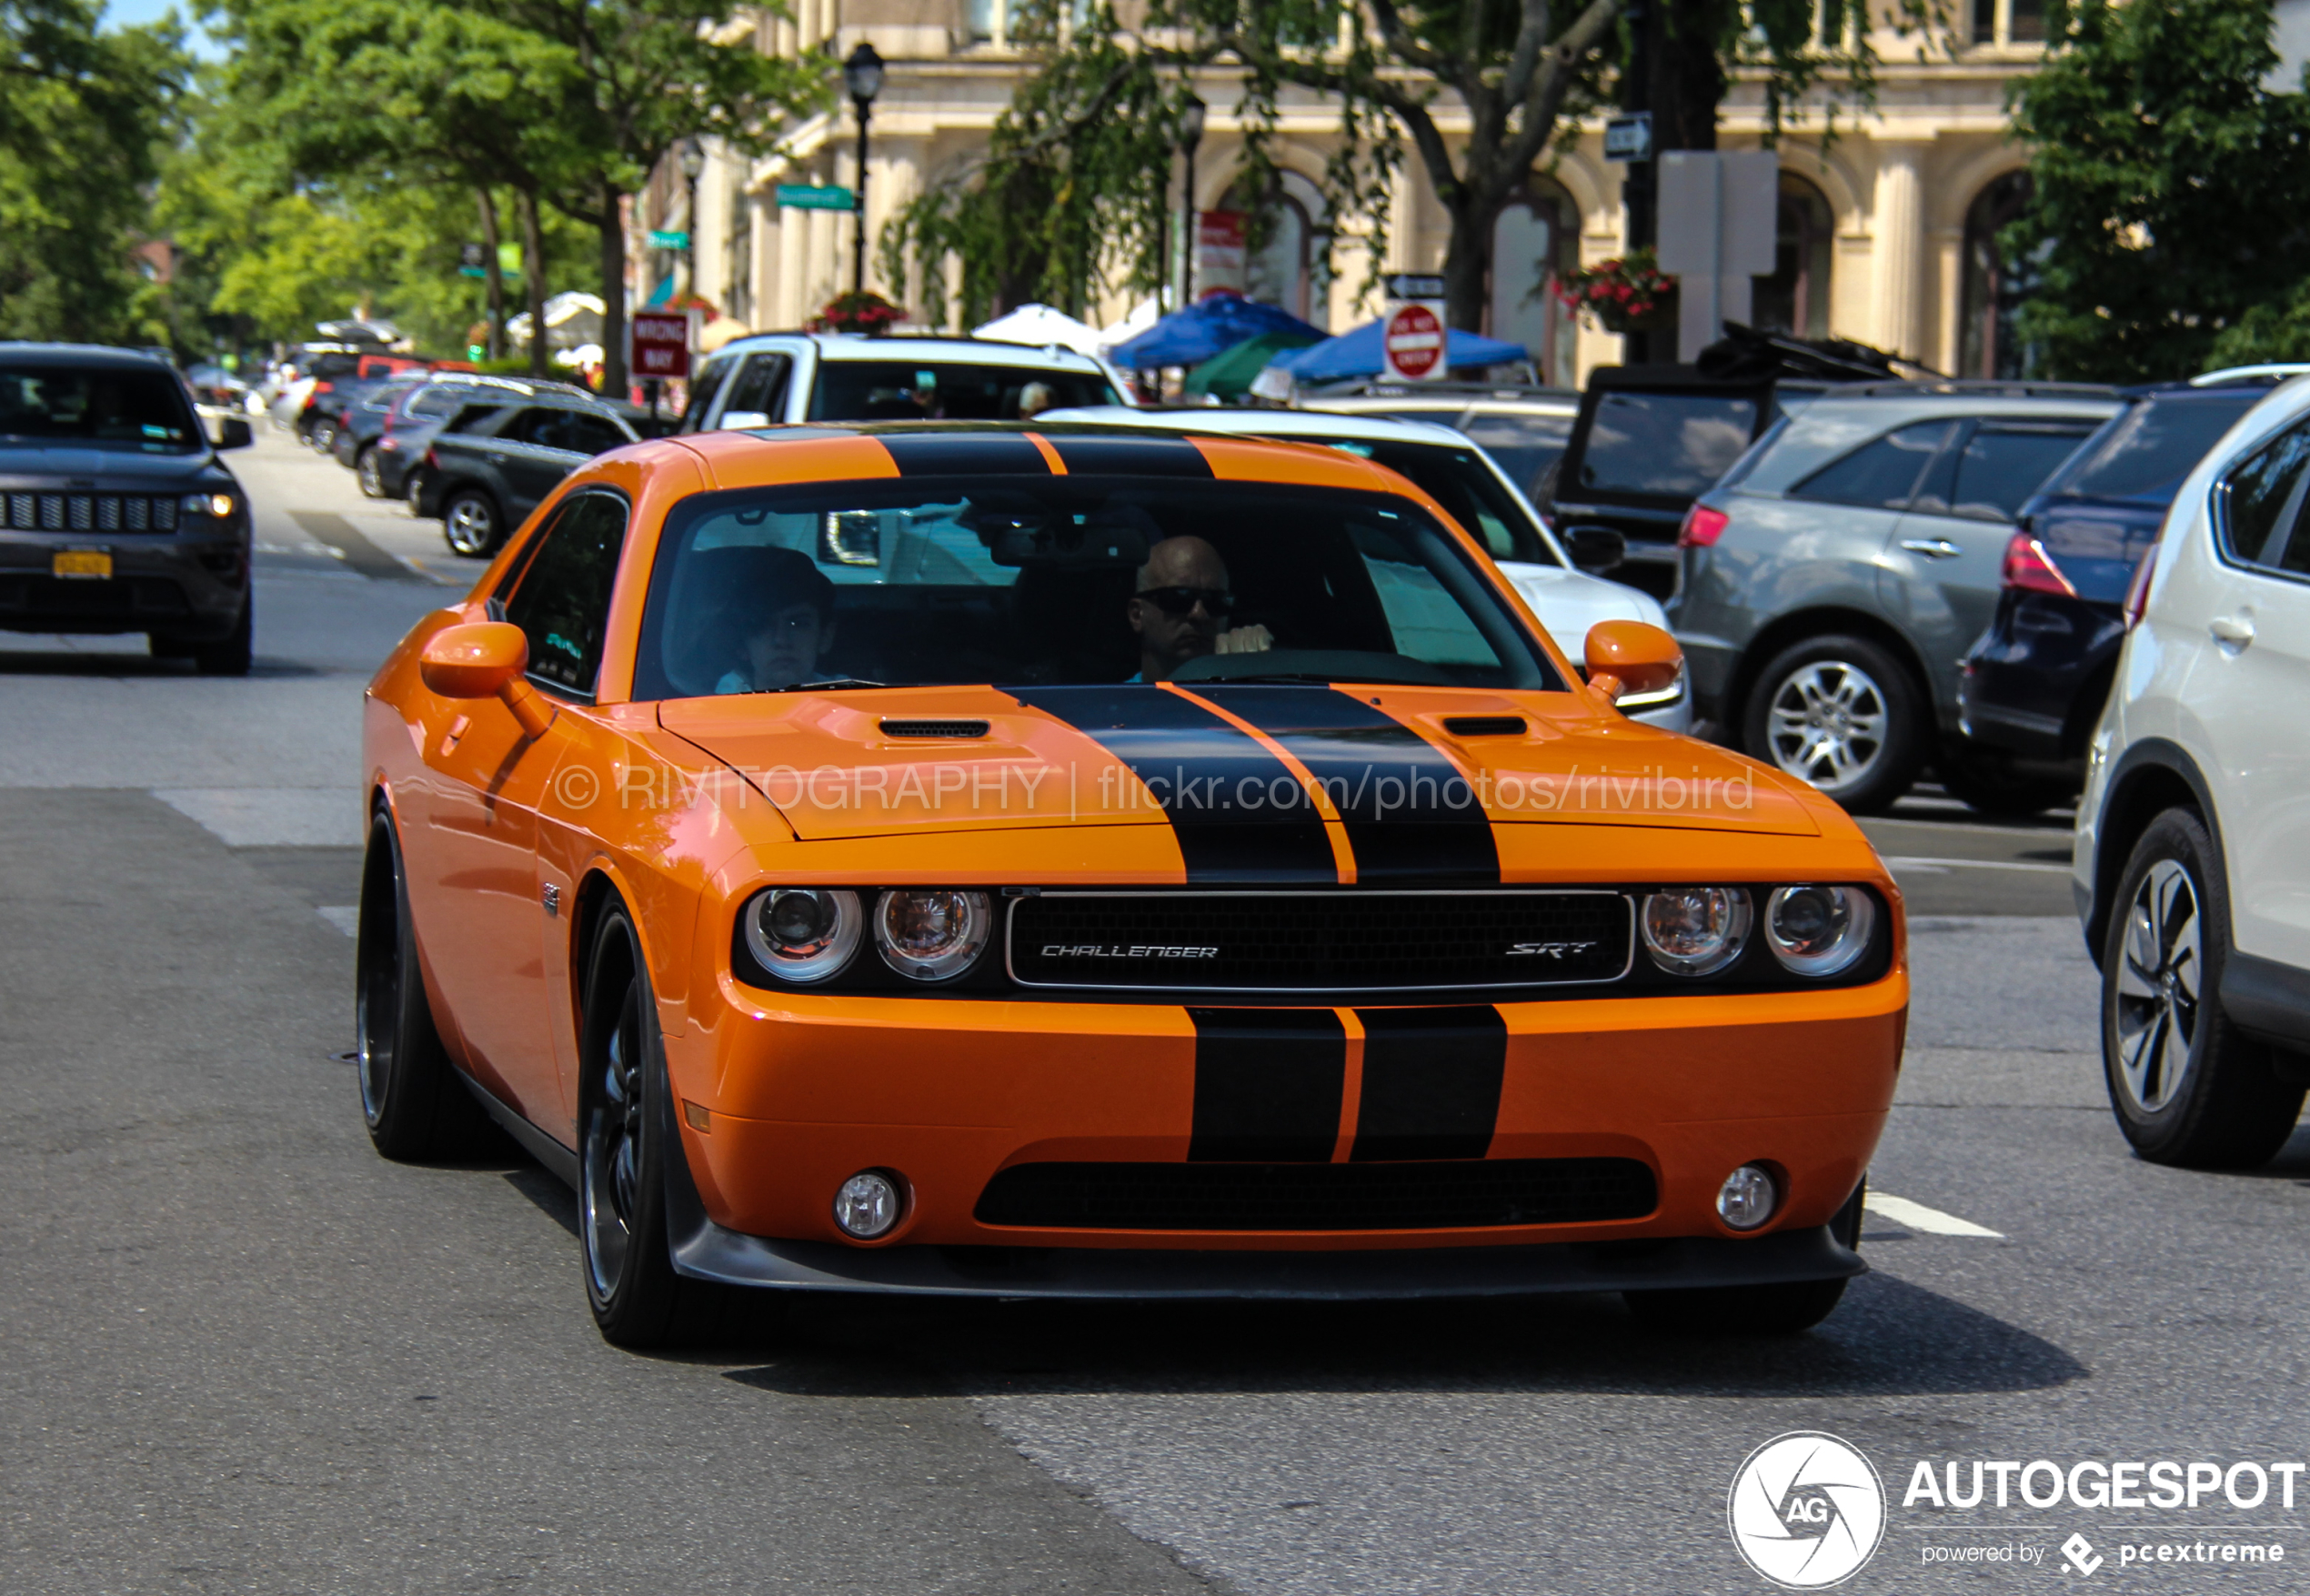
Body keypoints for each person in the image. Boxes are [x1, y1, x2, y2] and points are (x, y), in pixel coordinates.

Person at [1125, 535, 1272, 681]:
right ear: (1137, 615)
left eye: (1215, 602)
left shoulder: (1246, 696)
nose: (1199, 614)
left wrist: (1256, 677)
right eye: (1179, 598)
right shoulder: (1113, 703)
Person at [705, 547, 841, 693]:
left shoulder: (850, 699)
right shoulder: (714, 705)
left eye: (797, 624)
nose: (781, 641)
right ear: (742, 645)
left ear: (824, 637)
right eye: (764, 626)